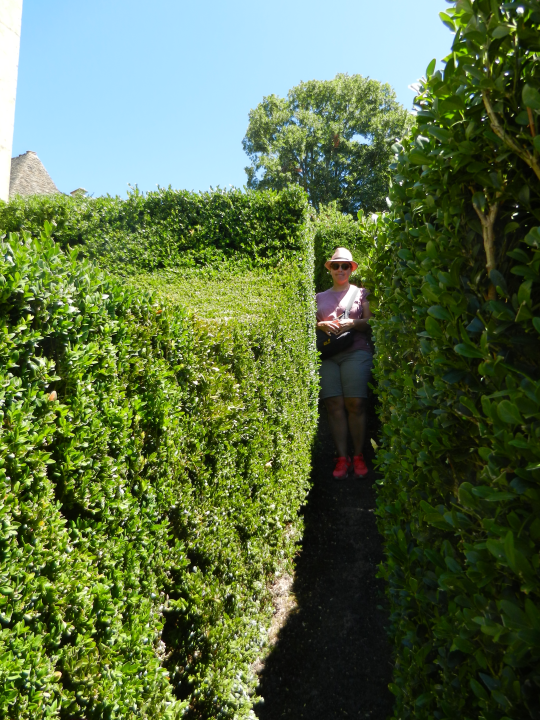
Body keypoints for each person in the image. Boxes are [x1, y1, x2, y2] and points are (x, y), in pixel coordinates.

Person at [316, 247, 373, 480]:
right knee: (333, 405)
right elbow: (310, 326)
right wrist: (320, 325)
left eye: (345, 266)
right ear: (330, 268)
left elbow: (370, 322)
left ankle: (358, 455)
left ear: (352, 268)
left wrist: (352, 323)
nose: (341, 269)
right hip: (328, 355)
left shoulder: (361, 293)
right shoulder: (317, 298)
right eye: (336, 265)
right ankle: (342, 457)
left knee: (355, 403)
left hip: (356, 351)